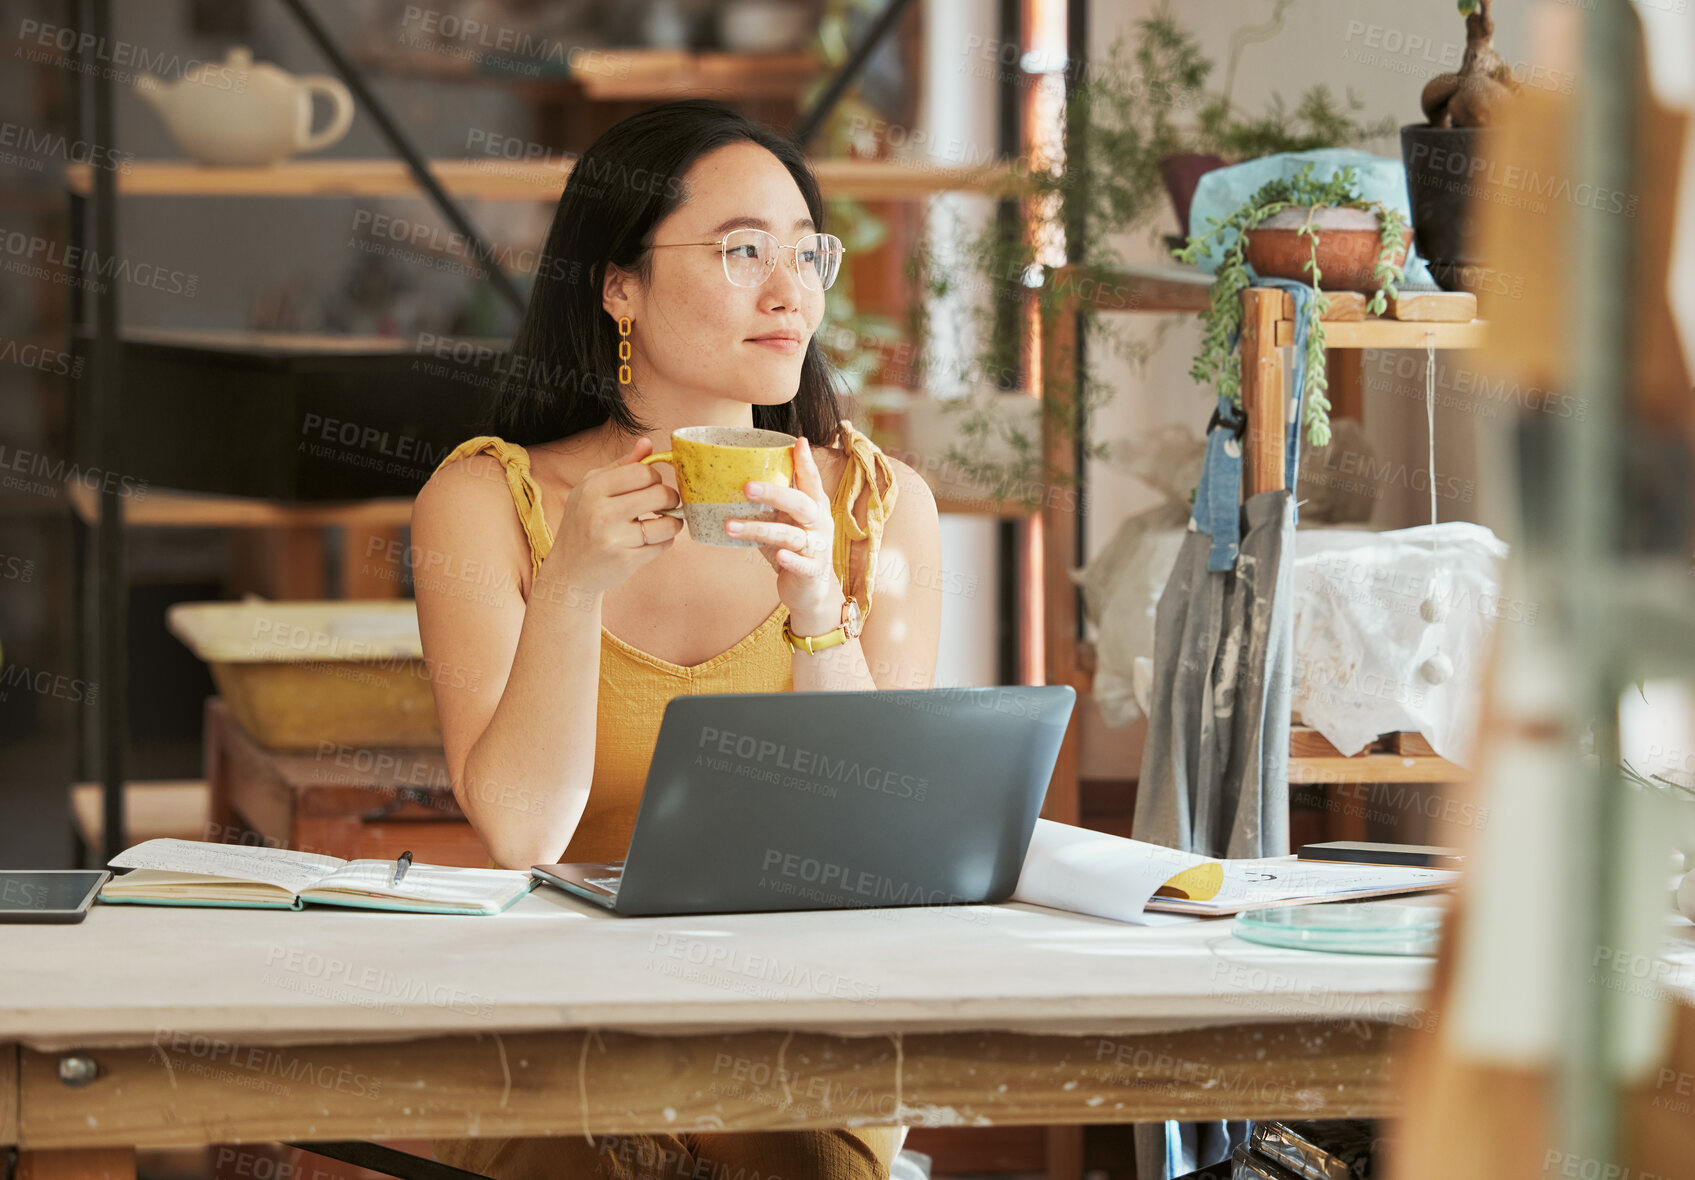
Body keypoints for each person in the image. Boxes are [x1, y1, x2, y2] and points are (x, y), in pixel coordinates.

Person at [411, 99, 942, 1179]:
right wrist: (569, 590)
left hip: (802, 1035)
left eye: (807, 251)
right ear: (620, 286)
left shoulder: (881, 507)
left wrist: (816, 611)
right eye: (744, 250)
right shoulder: (485, 499)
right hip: (563, 1035)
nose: (790, 291)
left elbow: (871, 845)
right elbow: (522, 831)